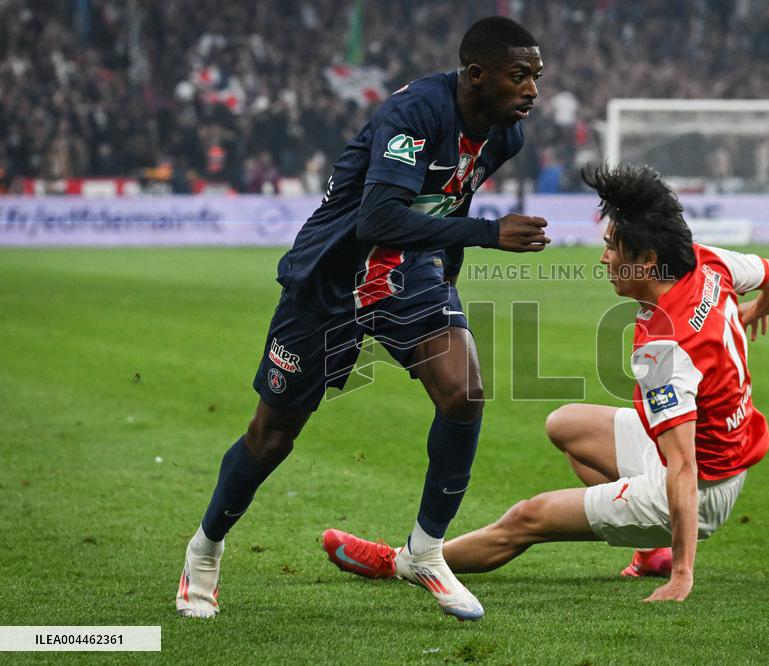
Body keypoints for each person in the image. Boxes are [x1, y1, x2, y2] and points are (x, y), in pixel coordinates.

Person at [176, 16, 548, 622]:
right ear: (478, 75)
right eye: (520, 75)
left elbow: (450, 198)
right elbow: (376, 218)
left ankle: (425, 551)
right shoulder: (415, 113)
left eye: (536, 76)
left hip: (408, 272)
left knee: (464, 392)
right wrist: (487, 235)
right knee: (272, 437)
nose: (532, 89)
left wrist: (448, 271)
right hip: (331, 276)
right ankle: (205, 548)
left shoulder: (506, 135)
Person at [323, 163, 769, 602]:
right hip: (719, 454)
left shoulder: (662, 349)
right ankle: (651, 549)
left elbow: (683, 467)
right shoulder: (705, 261)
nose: (604, 259)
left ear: (648, 261)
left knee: (527, 518)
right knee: (565, 425)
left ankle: (403, 562)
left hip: (700, 487)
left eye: (613, 248)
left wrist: (683, 575)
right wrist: (758, 308)